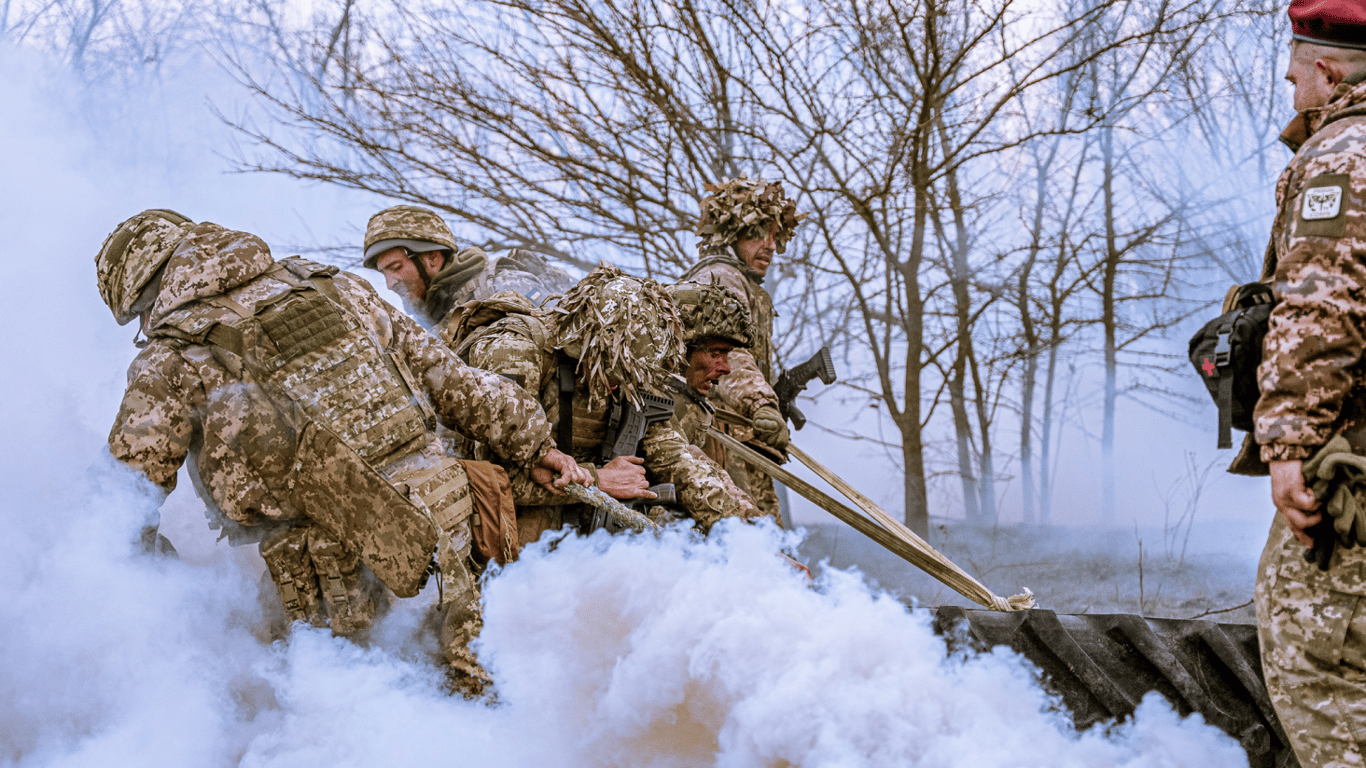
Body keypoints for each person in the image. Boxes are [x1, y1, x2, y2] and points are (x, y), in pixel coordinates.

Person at [96, 209, 590, 694]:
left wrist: (162, 580)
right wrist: (535, 445)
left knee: (366, 726)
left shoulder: (170, 357)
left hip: (337, 583)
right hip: (453, 534)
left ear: (146, 293)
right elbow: (453, 381)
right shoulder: (337, 289)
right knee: (474, 699)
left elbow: (120, 503)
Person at [1255, 3, 1366, 764]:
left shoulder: (1342, 155)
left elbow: (1323, 302)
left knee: (1318, 667)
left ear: (1326, 71)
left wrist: (1290, 441)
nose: (1292, 92)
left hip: (1351, 469)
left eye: (1296, 75)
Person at [452, 265, 755, 540]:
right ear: (597, 350)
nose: (626, 388)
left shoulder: (633, 365)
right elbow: (490, 480)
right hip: (491, 534)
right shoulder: (517, 354)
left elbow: (678, 462)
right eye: (622, 375)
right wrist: (600, 480)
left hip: (573, 529)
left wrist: (752, 541)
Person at [680, 176, 807, 524]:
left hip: (739, 435)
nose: (768, 246)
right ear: (729, 236)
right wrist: (760, 405)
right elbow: (727, 353)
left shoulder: (743, 283)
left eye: (774, 236)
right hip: (721, 437)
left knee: (760, 538)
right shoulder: (720, 277)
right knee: (749, 537)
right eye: (756, 234)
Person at [362, 204, 574, 329]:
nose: (390, 284)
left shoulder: (498, 285)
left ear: (433, 258)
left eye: (396, 267)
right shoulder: (427, 329)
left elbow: (566, 336)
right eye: (384, 273)